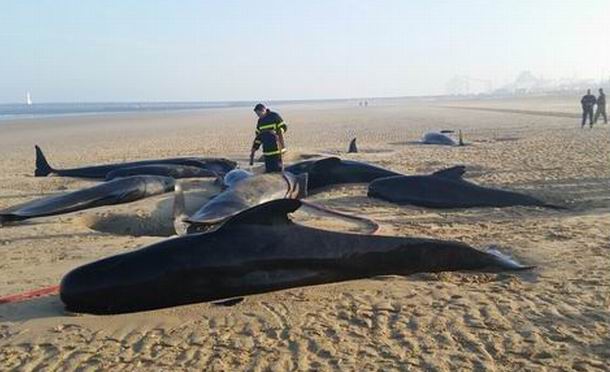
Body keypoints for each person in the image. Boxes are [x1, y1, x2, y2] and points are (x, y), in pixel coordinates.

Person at [249, 103, 288, 172]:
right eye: (257, 115)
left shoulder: (274, 116)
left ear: (264, 110)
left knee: (278, 172)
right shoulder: (260, 121)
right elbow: (258, 137)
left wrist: (277, 132)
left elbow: (284, 127)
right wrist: (254, 149)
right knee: (269, 172)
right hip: (266, 153)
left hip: (276, 151)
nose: (259, 116)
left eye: (259, 114)